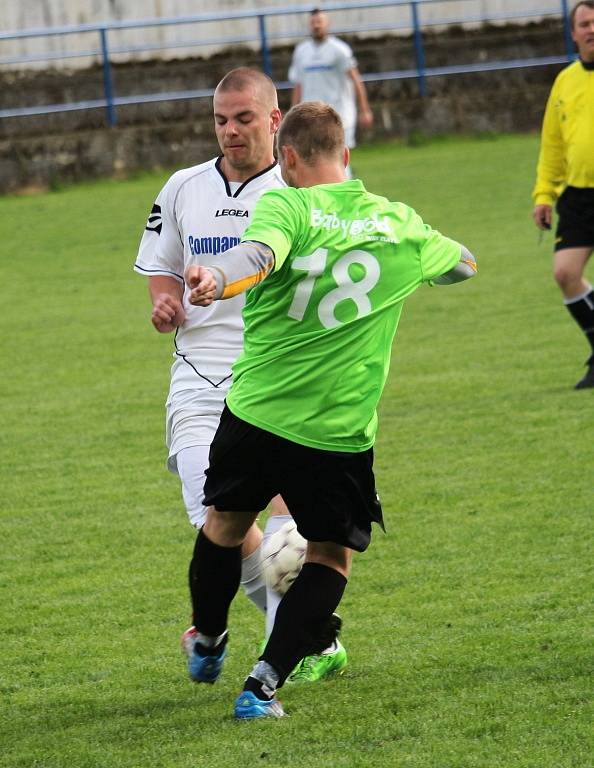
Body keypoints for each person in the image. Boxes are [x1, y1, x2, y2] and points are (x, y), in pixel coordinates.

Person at [184, 101, 477, 719]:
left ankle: (207, 640)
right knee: (328, 556)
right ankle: (262, 686)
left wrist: (216, 273)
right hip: (336, 433)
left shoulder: (286, 204)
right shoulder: (399, 223)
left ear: (287, 158)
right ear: (346, 155)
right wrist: (428, 269)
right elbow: (464, 264)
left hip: (257, 415)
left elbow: (257, 255)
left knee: (223, 526)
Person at [134, 68, 345, 682]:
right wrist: (165, 301)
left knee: (280, 517)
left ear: (275, 120)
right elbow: (162, 265)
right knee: (215, 517)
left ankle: (282, 636)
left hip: (277, 376)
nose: (230, 130)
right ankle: (299, 636)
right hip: (199, 375)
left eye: (244, 118)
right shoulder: (183, 187)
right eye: (221, 120)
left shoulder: (304, 190)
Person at [532, 0, 594, 389]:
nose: (592, 29)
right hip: (577, 195)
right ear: (573, 33)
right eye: (584, 24)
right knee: (566, 273)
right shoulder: (565, 81)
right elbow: (552, 146)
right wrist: (544, 194)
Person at [289, 8, 373, 164]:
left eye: (319, 22)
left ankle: (345, 184)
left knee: (339, 158)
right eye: (313, 22)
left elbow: (356, 79)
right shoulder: (301, 52)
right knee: (315, 160)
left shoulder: (339, 50)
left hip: (340, 114)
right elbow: (298, 85)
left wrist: (364, 109)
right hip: (312, 116)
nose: (316, 26)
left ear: (327, 24)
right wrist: (293, 112)